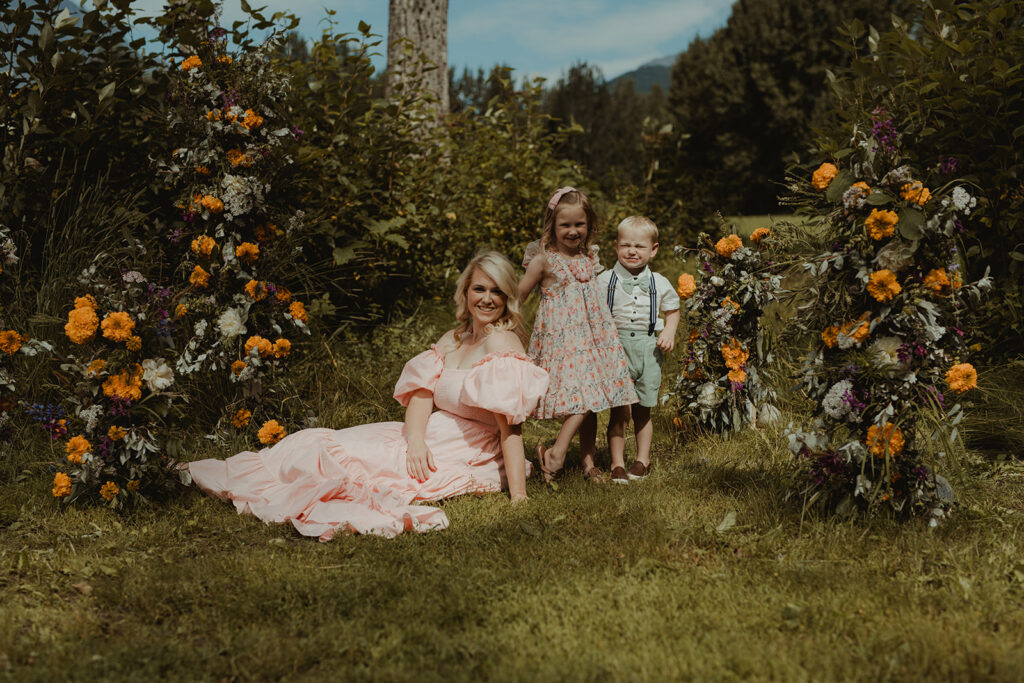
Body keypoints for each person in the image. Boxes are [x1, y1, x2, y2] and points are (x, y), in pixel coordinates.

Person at [187, 252, 549, 540]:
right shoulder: (453, 339)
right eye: (479, 289)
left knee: (350, 462)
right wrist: (417, 441)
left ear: (508, 298)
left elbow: (510, 429)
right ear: (466, 293)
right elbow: (422, 396)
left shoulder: (502, 342)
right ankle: (218, 473)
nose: (487, 299)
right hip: (428, 433)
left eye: (497, 291)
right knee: (323, 441)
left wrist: (519, 496)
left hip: (469, 448)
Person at [518, 186, 637, 482]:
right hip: (563, 342)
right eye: (565, 225)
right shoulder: (543, 260)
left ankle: (587, 464)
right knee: (586, 397)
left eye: (579, 224)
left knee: (593, 399)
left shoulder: (588, 257)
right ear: (552, 225)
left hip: (595, 338)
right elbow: (517, 297)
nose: (573, 231)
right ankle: (557, 453)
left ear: (590, 225)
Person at [582, 216, 680, 483]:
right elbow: (593, 315)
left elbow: (672, 309)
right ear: (615, 247)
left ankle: (642, 460)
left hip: (649, 351)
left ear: (654, 249)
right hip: (616, 349)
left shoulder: (659, 282)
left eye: (639, 246)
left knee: (643, 409)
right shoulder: (605, 281)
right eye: (625, 245)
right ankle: (617, 463)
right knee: (619, 409)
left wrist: (669, 332)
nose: (632, 251)